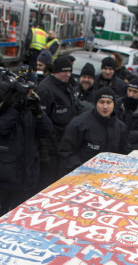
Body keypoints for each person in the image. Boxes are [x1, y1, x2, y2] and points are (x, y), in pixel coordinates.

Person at [0, 84, 52, 228]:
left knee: (17, 210)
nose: (28, 95)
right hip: (4, 171)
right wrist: (14, 108)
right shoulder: (3, 107)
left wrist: (38, 111)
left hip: (26, 171)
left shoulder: (31, 110)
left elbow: (47, 130)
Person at [59, 87, 127, 174]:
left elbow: (123, 154)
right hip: (82, 174)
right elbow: (66, 151)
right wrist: (81, 170)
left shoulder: (120, 128)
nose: (105, 107)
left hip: (108, 175)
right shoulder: (80, 124)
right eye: (101, 102)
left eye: (109, 102)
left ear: (114, 104)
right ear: (96, 103)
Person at [37, 56, 80, 186]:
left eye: (69, 71)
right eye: (64, 71)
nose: (67, 74)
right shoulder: (46, 90)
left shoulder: (66, 87)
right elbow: (40, 124)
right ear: (56, 71)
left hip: (63, 146)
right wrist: (44, 152)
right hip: (50, 149)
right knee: (46, 183)